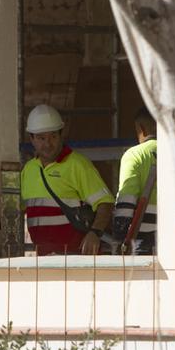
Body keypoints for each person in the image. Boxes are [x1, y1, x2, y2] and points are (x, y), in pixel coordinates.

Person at [19, 105, 115, 255]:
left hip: (76, 259)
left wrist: (95, 233)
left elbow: (106, 202)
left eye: (53, 136)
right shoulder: (28, 170)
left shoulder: (78, 165)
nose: (47, 144)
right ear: (31, 138)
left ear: (61, 135)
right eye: (41, 138)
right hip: (43, 260)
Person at [111, 107, 158, 255]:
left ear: (141, 129)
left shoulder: (134, 155)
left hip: (143, 242)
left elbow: (127, 198)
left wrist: (120, 239)